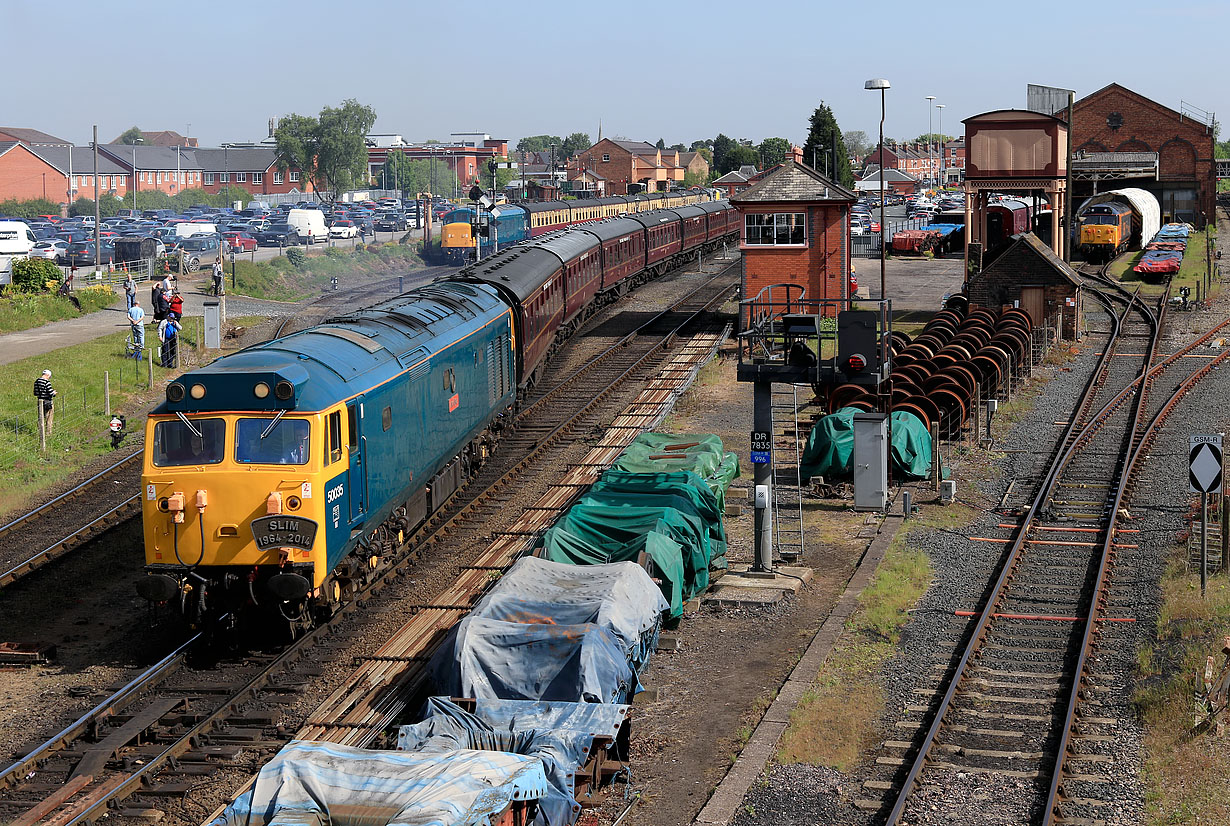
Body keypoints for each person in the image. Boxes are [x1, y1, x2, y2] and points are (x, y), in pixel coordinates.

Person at [34, 369, 56, 437]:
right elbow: (50, 393)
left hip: (40, 401)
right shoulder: (47, 382)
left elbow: (35, 393)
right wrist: (54, 393)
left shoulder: (36, 381)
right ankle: (48, 433)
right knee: (49, 418)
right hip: (48, 401)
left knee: (40, 417)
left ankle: (40, 432)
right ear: (48, 375)